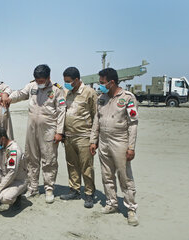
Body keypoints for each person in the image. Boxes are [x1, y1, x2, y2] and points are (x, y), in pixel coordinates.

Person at [2, 64, 66, 203]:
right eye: (37, 80)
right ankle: (33, 187)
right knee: (31, 158)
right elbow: (20, 94)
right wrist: (9, 98)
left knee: (49, 159)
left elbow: (61, 112)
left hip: (49, 129)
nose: (39, 83)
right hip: (32, 128)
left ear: (48, 78)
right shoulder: (32, 87)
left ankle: (49, 189)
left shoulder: (57, 90)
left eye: (42, 81)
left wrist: (59, 132)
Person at [89, 68, 139, 226]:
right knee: (107, 175)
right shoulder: (101, 98)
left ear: (111, 82)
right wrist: (93, 141)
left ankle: (131, 209)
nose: (100, 85)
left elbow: (133, 124)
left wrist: (131, 147)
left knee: (125, 176)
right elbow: (97, 120)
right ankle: (111, 203)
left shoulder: (128, 98)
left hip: (120, 141)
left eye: (102, 82)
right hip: (103, 141)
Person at [60, 67, 98, 208]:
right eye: (65, 82)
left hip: (84, 136)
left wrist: (94, 139)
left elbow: (96, 117)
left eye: (68, 82)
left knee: (86, 166)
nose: (66, 84)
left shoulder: (89, 92)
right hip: (68, 136)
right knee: (72, 165)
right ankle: (74, 190)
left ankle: (89, 194)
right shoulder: (67, 93)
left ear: (77, 80)